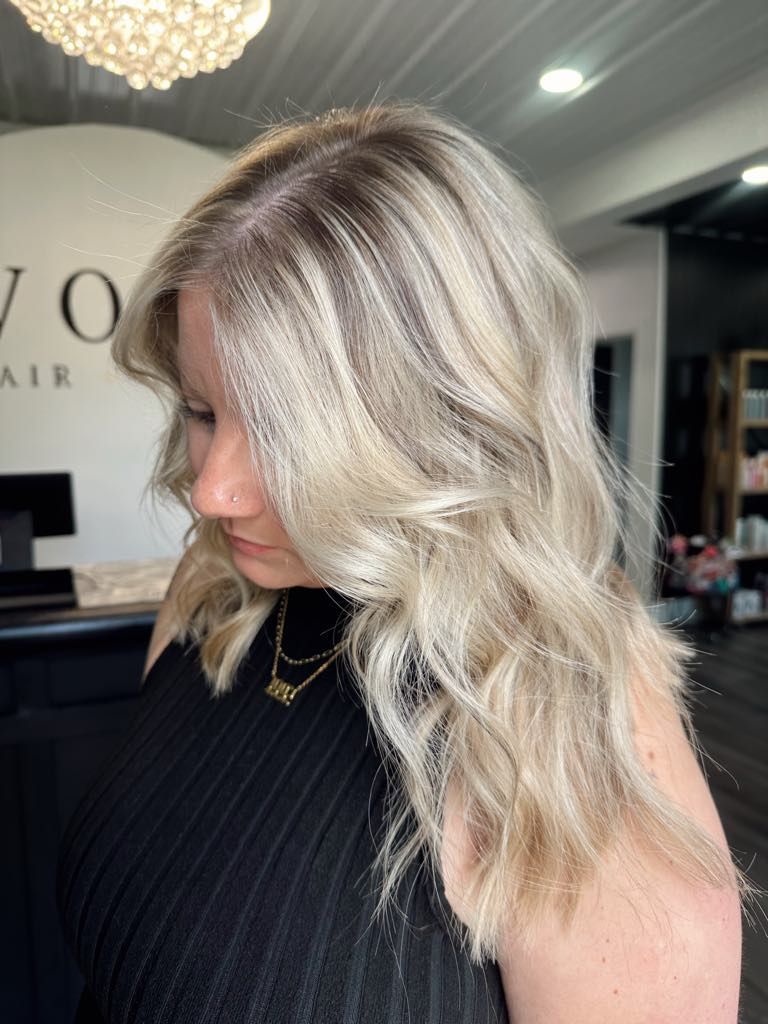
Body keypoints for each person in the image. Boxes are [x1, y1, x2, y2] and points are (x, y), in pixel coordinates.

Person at [57, 100, 755, 1023]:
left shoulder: (563, 707)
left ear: (451, 425)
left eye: (286, 433)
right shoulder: (215, 590)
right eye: (202, 412)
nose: (212, 493)